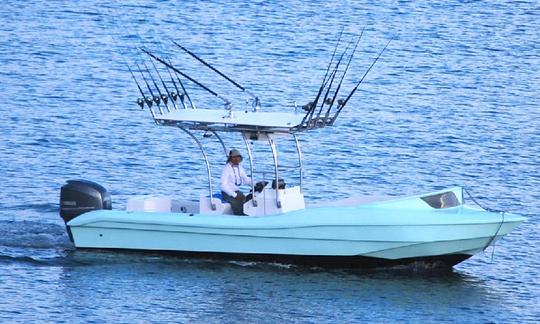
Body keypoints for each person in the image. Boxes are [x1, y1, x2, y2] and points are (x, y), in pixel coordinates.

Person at [220, 149, 253, 215]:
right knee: (237, 203)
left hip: (237, 191)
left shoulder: (239, 167)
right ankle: (239, 217)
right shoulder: (226, 169)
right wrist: (234, 195)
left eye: (238, 157)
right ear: (231, 158)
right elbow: (222, 186)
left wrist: (255, 184)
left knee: (248, 198)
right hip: (228, 193)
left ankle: (247, 215)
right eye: (234, 157)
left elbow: (246, 179)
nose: (237, 159)